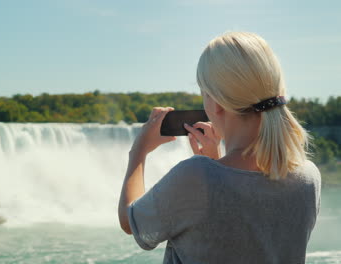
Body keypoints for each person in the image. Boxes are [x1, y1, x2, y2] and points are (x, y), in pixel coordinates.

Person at [118, 31, 321, 264]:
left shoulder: (196, 176)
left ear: (215, 102)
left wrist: (139, 151)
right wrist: (216, 164)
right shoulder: (308, 177)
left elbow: (130, 221)